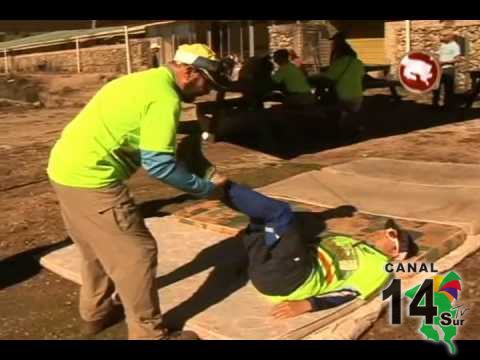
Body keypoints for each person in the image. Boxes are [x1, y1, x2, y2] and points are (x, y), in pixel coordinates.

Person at [47, 44, 230, 340]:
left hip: (64, 168)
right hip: (93, 179)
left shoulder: (140, 80)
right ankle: (150, 335)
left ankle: (96, 313)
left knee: (97, 246)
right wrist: (205, 189)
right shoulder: (164, 98)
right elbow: (159, 165)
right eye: (206, 83)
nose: (206, 91)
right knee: (137, 254)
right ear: (189, 71)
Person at [220, 181, 417, 319]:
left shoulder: (380, 268)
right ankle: (209, 185)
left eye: (391, 234)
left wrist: (309, 305)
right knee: (259, 219)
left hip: (296, 278)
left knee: (279, 214)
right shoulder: (348, 241)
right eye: (386, 229)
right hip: (275, 268)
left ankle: (214, 184)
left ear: (394, 252)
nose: (382, 232)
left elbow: (349, 293)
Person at [323, 33, 365, 115]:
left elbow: (328, 79)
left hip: (342, 100)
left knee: (324, 100)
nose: (332, 44)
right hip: (357, 101)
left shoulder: (339, 62)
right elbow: (361, 75)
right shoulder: (358, 63)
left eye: (334, 41)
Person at [433, 33, 461, 110]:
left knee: (448, 89)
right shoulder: (443, 45)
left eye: (445, 35)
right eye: (442, 35)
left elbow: (458, 59)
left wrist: (444, 62)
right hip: (439, 69)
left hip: (448, 69)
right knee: (436, 87)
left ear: (451, 37)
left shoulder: (455, 46)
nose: (442, 37)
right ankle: (435, 105)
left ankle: (447, 106)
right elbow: (438, 55)